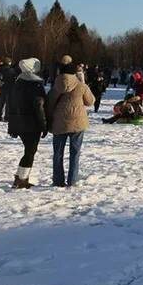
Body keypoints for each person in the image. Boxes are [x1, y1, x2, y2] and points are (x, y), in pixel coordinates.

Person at [46, 56, 96, 187]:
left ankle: (58, 181)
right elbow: (90, 101)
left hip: (59, 123)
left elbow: (49, 104)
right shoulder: (81, 86)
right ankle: (72, 180)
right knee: (75, 153)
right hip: (77, 123)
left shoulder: (56, 86)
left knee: (58, 153)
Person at [6, 58, 47, 189]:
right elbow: (39, 106)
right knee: (30, 151)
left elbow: (10, 104)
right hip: (32, 123)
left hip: (19, 122)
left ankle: (21, 177)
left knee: (29, 150)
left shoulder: (17, 83)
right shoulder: (35, 85)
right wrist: (44, 125)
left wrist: (11, 124)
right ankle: (21, 179)